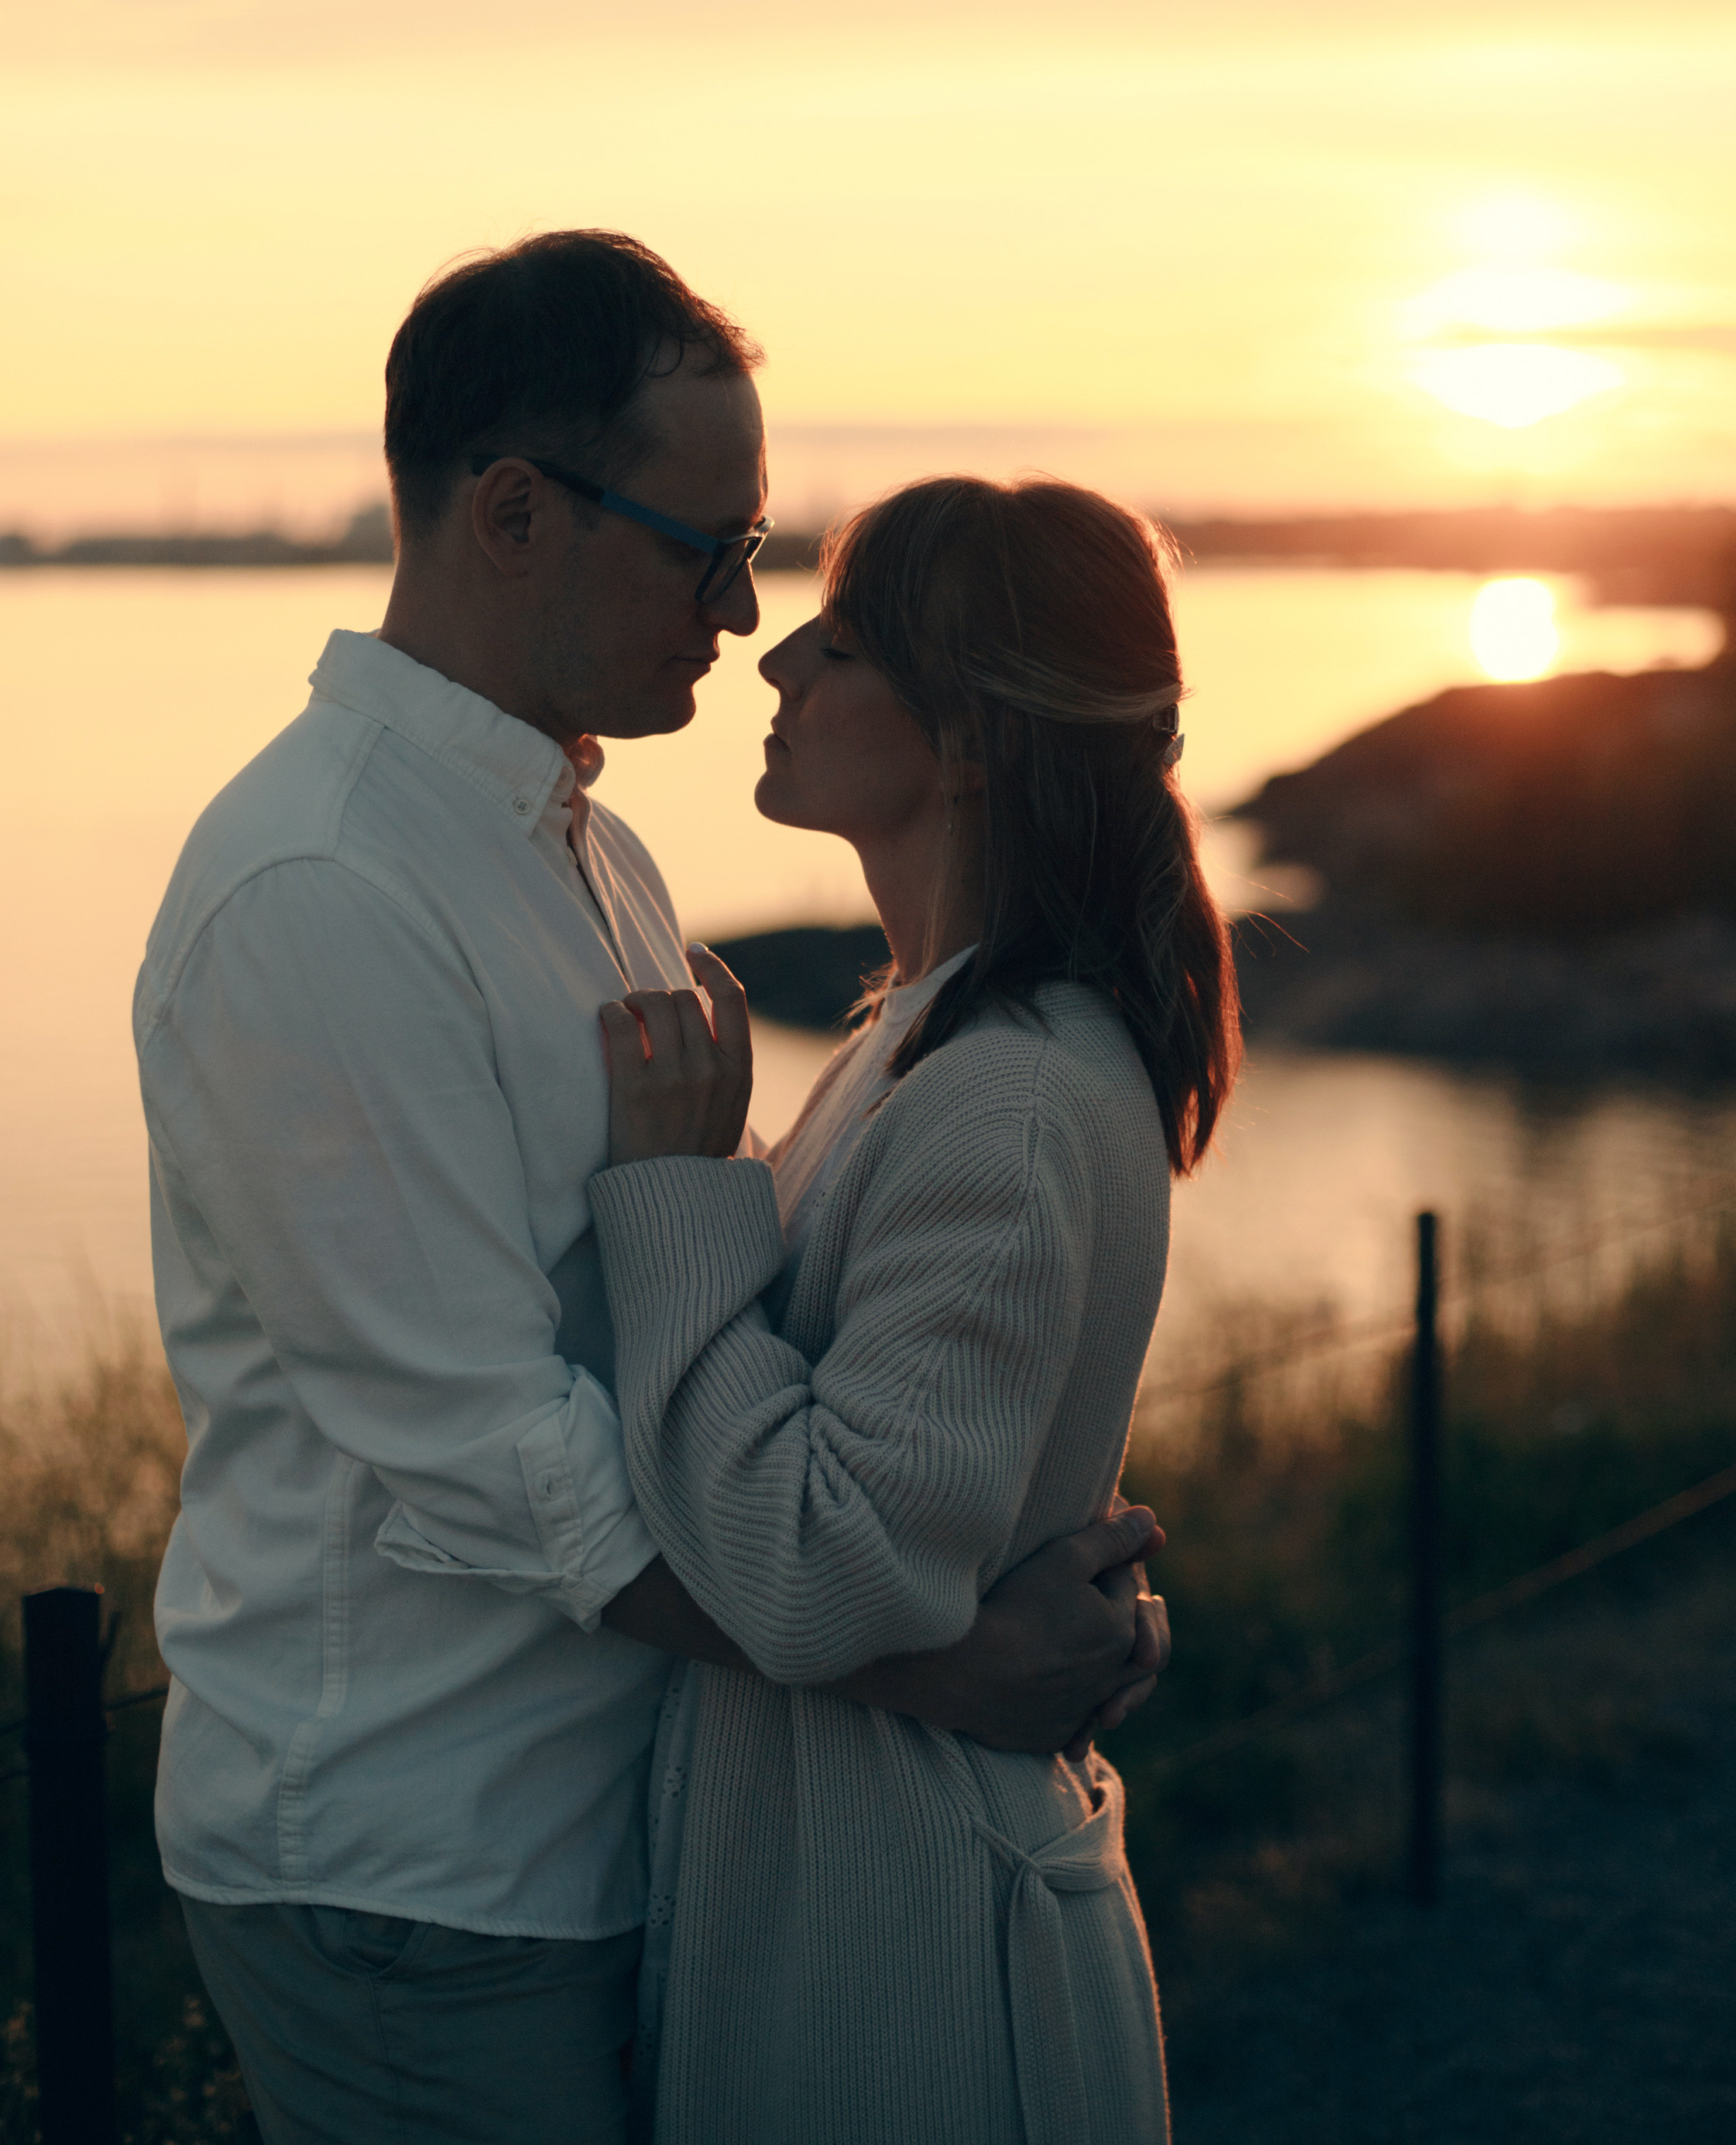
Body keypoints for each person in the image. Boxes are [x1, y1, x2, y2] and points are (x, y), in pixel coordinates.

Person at [134, 233, 1172, 2145]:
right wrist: (939, 1660)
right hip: (424, 1866)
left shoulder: (587, 853)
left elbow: (754, 1326)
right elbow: (492, 1445)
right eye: (710, 548)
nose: (744, 608)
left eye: (763, 553)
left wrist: (1014, 1529)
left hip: (625, 1831)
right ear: (515, 512)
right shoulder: (324, 894)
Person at [588, 473, 1240, 2145]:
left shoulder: (1003, 1098)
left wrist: (675, 1190)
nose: (774, 660)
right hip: (861, 1912)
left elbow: (820, 1571)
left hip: (919, 1972)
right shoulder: (926, 1041)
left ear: (968, 739)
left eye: (844, 637)